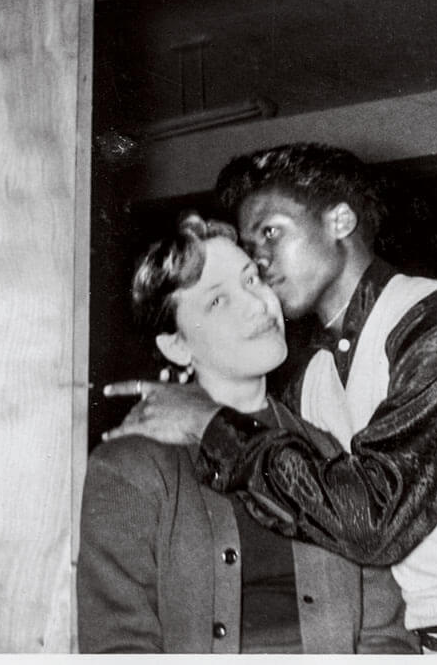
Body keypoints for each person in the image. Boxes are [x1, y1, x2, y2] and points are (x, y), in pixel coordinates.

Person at [105, 143, 437, 654]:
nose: (260, 261)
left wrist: (210, 423)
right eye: (250, 248)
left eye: (271, 232)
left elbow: (372, 520)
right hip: (436, 644)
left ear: (339, 222)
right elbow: (301, 498)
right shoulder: (312, 374)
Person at [77, 212, 417, 654]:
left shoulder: (329, 450)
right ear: (176, 344)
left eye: (252, 279)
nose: (257, 304)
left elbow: (386, 636)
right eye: (218, 301)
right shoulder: (129, 468)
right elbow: (119, 647)